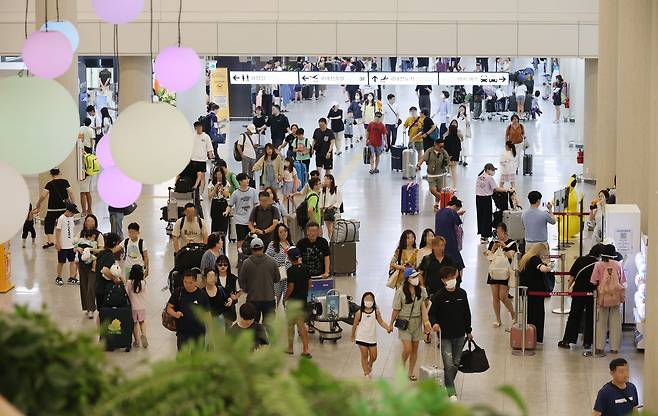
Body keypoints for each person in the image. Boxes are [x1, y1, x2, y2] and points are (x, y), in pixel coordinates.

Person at [429, 266, 472, 399]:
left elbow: (467, 313)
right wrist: (434, 323)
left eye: (452, 277)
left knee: (455, 363)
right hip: (445, 336)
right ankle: (451, 392)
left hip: (460, 335)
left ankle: (444, 381)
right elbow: (432, 314)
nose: (451, 280)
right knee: (448, 364)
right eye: (447, 278)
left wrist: (468, 331)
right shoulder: (439, 296)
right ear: (443, 280)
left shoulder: (462, 294)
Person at [389, 268, 430, 381]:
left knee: (415, 348)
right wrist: (391, 324)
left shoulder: (421, 291)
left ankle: (410, 371)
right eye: (413, 277)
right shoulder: (401, 291)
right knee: (407, 349)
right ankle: (401, 366)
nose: (416, 279)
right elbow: (396, 309)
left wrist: (426, 323)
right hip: (404, 322)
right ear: (407, 279)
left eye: (417, 276)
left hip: (417, 322)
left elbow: (424, 307)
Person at [558, 244, 602, 350]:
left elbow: (572, 276)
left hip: (578, 292)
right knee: (590, 317)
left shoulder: (580, 260)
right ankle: (587, 342)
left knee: (574, 315)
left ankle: (567, 340)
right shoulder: (599, 264)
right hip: (592, 294)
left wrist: (568, 288)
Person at [590, 244, 626, 354]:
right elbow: (623, 281)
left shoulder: (598, 265)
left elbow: (593, 281)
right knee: (615, 322)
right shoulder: (618, 265)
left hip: (602, 297)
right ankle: (614, 347)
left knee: (601, 322)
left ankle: (599, 347)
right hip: (615, 297)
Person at [238, 237, 281, 323]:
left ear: (251, 249)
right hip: (269, 298)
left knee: (253, 326)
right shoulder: (272, 262)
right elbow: (277, 279)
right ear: (263, 248)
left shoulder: (246, 263)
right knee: (270, 327)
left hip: (252, 299)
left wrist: (247, 290)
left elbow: (241, 281)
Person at [483, 223, 517, 328]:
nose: (498, 234)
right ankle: (497, 318)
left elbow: (511, 255)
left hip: (505, 272)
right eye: (497, 232)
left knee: (503, 296)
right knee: (495, 297)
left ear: (505, 231)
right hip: (494, 272)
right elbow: (489, 257)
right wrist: (493, 248)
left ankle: (513, 314)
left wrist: (504, 246)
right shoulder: (493, 243)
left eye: (500, 232)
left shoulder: (512, 243)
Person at [166, 269, 211, 350]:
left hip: (198, 333)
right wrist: (175, 314)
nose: (187, 285)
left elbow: (207, 313)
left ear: (195, 281)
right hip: (182, 333)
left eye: (190, 282)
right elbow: (169, 308)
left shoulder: (202, 294)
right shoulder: (178, 292)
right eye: (185, 282)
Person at [351, 292, 392, 378]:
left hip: (372, 338)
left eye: (370, 299)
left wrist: (387, 327)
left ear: (373, 301)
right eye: (366, 299)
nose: (368, 301)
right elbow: (355, 324)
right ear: (363, 300)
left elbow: (381, 321)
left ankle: (370, 364)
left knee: (374, 356)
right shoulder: (359, 313)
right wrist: (353, 335)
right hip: (361, 337)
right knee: (364, 355)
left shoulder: (376, 312)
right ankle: (366, 372)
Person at [518, 243, 552, 343]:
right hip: (537, 291)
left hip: (528, 291)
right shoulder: (535, 259)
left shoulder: (525, 258)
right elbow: (542, 269)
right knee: (538, 314)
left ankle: (530, 335)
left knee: (531, 313)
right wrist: (549, 268)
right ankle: (537, 337)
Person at [34, 168, 75, 249]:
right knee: (65, 223)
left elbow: (43, 195)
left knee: (48, 224)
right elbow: (71, 192)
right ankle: (65, 241)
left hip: (52, 208)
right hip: (64, 208)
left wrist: (38, 204)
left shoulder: (49, 184)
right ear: (59, 173)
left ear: (51, 174)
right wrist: (73, 204)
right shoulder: (65, 182)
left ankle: (50, 241)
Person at [284, 247, 312, 357]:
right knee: (301, 325)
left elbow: (291, 286)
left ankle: (292, 348)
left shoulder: (291, 270)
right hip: (303, 300)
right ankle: (305, 349)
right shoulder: (305, 268)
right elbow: (310, 282)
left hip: (293, 301)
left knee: (291, 325)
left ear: (289, 258)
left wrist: (286, 297)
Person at [476, 163, 511, 244]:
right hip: (486, 199)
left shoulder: (479, 177)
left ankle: (482, 235)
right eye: (492, 170)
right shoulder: (489, 178)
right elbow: (495, 189)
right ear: (488, 169)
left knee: (480, 216)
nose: (493, 172)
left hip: (478, 198)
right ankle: (485, 236)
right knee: (487, 217)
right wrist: (507, 190)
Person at [226, 173, 259, 253]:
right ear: (240, 181)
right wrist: (226, 211)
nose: (248, 180)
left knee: (254, 238)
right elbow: (230, 205)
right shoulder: (235, 193)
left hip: (251, 220)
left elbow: (256, 205)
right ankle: (240, 257)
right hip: (240, 221)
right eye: (245, 179)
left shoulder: (253, 191)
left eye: (248, 178)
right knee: (240, 240)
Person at [416, 138, 450, 210]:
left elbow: (448, 160)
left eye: (442, 147)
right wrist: (418, 165)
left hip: (441, 174)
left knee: (440, 190)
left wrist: (447, 161)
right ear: (435, 145)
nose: (441, 148)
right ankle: (445, 199)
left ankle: (436, 205)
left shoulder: (444, 152)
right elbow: (423, 158)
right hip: (431, 175)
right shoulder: (429, 151)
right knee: (432, 190)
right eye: (440, 146)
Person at [435, 197, 465, 273]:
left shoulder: (439, 212)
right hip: (450, 242)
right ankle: (458, 282)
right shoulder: (452, 212)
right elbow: (457, 224)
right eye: (457, 209)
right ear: (455, 206)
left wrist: (457, 213)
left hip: (439, 241)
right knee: (459, 265)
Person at [265, 223, 293, 308]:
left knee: (288, 299)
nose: (284, 233)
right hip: (276, 276)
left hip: (289, 276)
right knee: (275, 299)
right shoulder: (272, 245)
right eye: (280, 232)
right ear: (277, 233)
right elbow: (267, 258)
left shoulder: (291, 244)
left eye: (285, 231)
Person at [95, 232, 123, 312]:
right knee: (105, 313)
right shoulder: (110, 256)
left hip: (98, 287)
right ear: (116, 243)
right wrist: (115, 279)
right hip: (105, 289)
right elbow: (104, 270)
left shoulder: (102, 253)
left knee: (101, 312)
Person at [522, 190, 556, 255]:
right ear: (538, 200)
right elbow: (553, 221)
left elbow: (524, 226)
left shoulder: (523, 214)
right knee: (544, 263)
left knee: (530, 264)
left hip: (528, 244)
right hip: (541, 245)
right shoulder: (543, 214)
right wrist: (550, 209)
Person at [54, 203, 79, 286]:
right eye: (72, 213)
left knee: (72, 261)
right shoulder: (61, 218)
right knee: (61, 261)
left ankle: (71, 277)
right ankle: (58, 277)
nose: (73, 215)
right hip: (63, 245)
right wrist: (57, 242)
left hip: (71, 245)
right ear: (67, 211)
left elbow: (71, 231)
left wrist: (74, 243)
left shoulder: (71, 218)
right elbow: (58, 231)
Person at [214, 255, 241, 329]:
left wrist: (234, 298)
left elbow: (239, 292)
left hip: (229, 310)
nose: (223, 267)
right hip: (217, 309)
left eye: (225, 265)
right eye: (220, 265)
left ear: (228, 266)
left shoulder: (233, 278)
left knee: (228, 330)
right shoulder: (213, 278)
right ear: (216, 265)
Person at [125, 264, 148, 348]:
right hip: (142, 306)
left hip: (133, 307)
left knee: (134, 324)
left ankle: (137, 341)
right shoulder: (143, 283)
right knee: (142, 322)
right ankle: (144, 335)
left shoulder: (129, 282)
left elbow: (126, 292)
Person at [189, 121, 214, 195]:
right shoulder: (192, 136)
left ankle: (200, 193)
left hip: (202, 160)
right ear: (195, 128)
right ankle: (193, 192)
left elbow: (209, 149)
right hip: (193, 160)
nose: (199, 128)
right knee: (194, 177)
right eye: (197, 127)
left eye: (200, 127)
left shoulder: (206, 137)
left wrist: (211, 157)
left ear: (202, 127)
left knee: (202, 177)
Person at [208, 165, 231, 244]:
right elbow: (210, 196)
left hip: (223, 204)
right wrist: (215, 188)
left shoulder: (226, 183)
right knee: (215, 224)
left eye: (220, 174)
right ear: (215, 175)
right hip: (215, 204)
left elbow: (227, 195)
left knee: (223, 225)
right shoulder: (211, 183)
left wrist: (222, 189)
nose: (219, 176)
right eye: (217, 174)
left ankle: (223, 242)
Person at [320, 174, 342, 240]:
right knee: (329, 228)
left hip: (334, 211)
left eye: (326, 179)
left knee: (333, 228)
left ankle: (333, 241)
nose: (324, 181)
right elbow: (321, 201)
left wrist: (333, 206)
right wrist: (322, 210)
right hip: (326, 212)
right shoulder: (323, 190)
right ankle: (332, 241)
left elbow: (339, 201)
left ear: (331, 180)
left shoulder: (336, 189)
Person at [442, 120, 463, 190]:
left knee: (444, 172)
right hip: (455, 158)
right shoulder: (457, 139)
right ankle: (454, 186)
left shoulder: (447, 138)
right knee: (454, 172)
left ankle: (445, 186)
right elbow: (459, 149)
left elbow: (445, 149)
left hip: (448, 158)